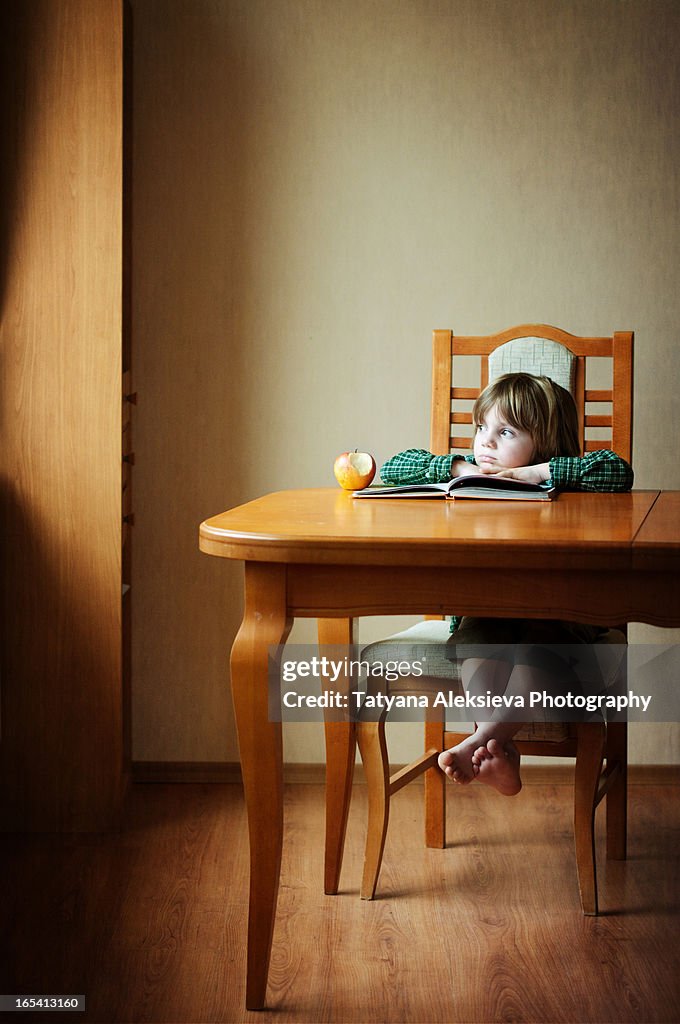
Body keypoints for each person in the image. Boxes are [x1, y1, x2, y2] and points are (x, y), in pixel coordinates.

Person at [380, 372, 633, 797]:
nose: (487, 442)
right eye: (482, 428)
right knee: (478, 639)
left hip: (561, 612)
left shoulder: (566, 476)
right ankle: (501, 750)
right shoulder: (473, 475)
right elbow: (394, 467)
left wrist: (538, 474)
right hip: (485, 606)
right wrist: (461, 467)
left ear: (546, 442)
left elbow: (618, 472)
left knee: (543, 646)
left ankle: (480, 742)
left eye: (506, 431)